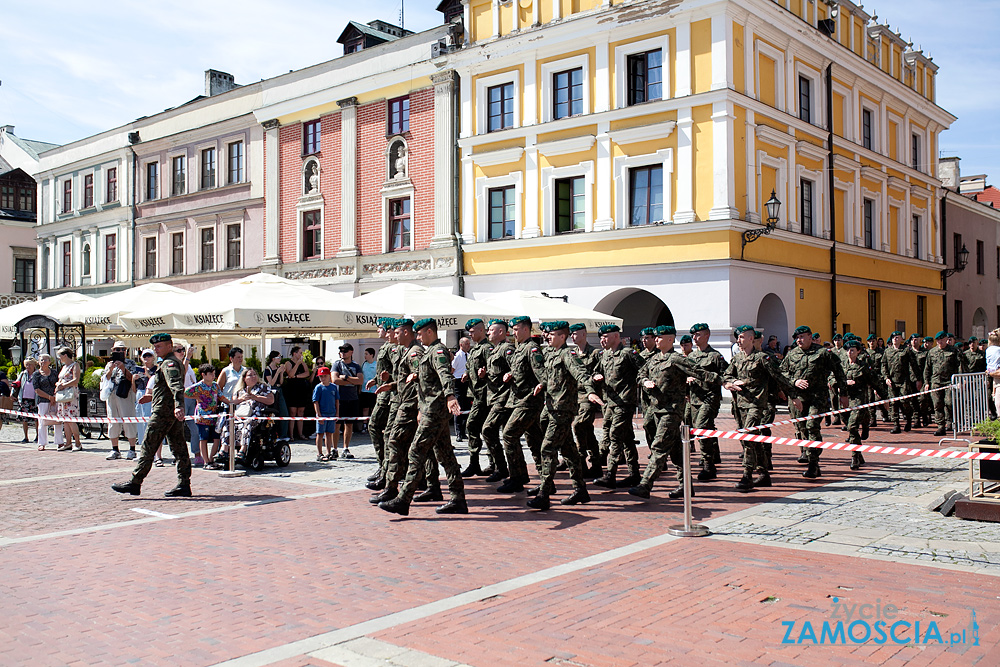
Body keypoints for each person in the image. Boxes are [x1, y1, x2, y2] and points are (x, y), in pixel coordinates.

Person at [379, 318, 467, 516]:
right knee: (446, 456)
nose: (417, 337)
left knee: (415, 452)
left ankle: (403, 500)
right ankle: (458, 499)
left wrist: (450, 395)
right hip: (430, 409)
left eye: (419, 334)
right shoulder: (429, 352)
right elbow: (430, 379)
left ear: (429, 332)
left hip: (434, 411)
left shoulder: (438, 351)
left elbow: (445, 374)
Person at [628, 326, 718, 500]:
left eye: (659, 337)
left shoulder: (677, 359)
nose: (656, 340)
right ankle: (686, 486)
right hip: (656, 410)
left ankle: (646, 484)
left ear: (670, 339)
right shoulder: (654, 359)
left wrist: (725, 382)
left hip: (672, 411)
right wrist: (645, 381)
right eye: (655, 337)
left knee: (659, 446)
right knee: (676, 452)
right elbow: (640, 374)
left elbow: (700, 372)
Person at [525, 321, 603, 510]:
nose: (547, 337)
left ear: (562, 336)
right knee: (569, 451)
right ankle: (580, 490)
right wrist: (543, 385)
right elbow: (551, 378)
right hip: (552, 407)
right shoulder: (552, 354)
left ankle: (544, 493)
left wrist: (591, 390)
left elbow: (581, 373)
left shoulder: (568, 354)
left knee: (547, 449)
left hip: (562, 409)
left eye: (551, 334)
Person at [112, 333, 193, 498]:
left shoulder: (170, 363)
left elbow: (176, 385)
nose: (156, 349)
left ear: (169, 346)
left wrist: (179, 406)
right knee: (179, 448)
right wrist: (153, 396)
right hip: (169, 411)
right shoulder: (168, 362)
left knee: (149, 445)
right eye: (155, 347)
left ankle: (135, 482)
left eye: (159, 346)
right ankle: (184, 483)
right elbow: (165, 387)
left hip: (164, 412)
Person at [723, 325, 800, 490]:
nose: (739, 340)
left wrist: (793, 396)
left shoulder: (763, 358)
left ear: (751, 338)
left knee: (748, 435)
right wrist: (731, 382)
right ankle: (764, 473)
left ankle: (747, 475)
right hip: (740, 404)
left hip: (756, 404)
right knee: (754, 439)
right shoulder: (737, 359)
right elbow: (727, 374)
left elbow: (780, 376)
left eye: (742, 337)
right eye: (738, 337)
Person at [780, 325, 849, 479]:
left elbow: (839, 372)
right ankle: (810, 457)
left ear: (810, 337)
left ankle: (813, 463)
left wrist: (843, 394)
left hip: (818, 398)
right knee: (802, 428)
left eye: (802, 337)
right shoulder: (792, 354)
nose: (799, 340)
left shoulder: (823, 353)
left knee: (812, 426)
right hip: (800, 399)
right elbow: (782, 372)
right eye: (797, 338)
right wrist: (794, 381)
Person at [498, 316, 546, 493]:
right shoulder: (520, 349)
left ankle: (516, 478)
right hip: (519, 400)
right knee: (534, 441)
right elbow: (522, 371)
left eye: (516, 329)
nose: (513, 333)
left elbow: (541, 373)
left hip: (528, 401)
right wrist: (511, 374)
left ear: (526, 329)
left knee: (509, 435)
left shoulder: (532, 348)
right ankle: (546, 482)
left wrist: (543, 384)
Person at [592, 324, 643, 490]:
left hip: (624, 402)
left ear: (615, 336)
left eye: (605, 337)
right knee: (627, 438)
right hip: (610, 403)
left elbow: (644, 369)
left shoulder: (628, 354)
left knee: (614, 435)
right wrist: (596, 376)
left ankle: (610, 475)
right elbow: (594, 371)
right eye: (601, 337)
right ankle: (634, 474)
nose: (602, 340)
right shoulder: (604, 355)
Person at [686, 324, 727, 482]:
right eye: (693, 335)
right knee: (704, 429)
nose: (694, 338)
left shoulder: (715, 356)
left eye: (697, 335)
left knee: (701, 428)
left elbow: (725, 375)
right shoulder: (691, 357)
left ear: (707, 336)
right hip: (695, 399)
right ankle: (711, 457)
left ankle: (709, 465)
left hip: (710, 398)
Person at [479, 319, 515, 484]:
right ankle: (514, 473)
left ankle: (502, 468)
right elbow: (497, 374)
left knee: (488, 429)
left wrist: (511, 374)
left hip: (503, 398)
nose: (488, 333)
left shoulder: (507, 349)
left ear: (501, 332)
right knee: (508, 436)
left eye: (491, 330)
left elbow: (517, 367)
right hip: (494, 398)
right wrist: (484, 375)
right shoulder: (495, 350)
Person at [365, 319, 399, 490]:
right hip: (383, 394)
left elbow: (398, 371)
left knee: (377, 428)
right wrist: (375, 379)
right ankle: (384, 466)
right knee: (379, 430)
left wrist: (386, 379)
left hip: (390, 395)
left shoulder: (394, 348)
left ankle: (386, 468)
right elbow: (384, 371)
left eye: (380, 328)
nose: (378, 331)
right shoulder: (386, 346)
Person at [218, 368, 274, 462]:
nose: (253, 377)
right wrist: (242, 399)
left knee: (247, 423)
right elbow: (232, 402)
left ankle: (242, 451)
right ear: (244, 378)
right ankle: (224, 450)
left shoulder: (263, 387)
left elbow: (271, 400)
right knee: (228, 423)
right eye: (250, 375)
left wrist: (255, 397)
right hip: (240, 415)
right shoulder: (240, 390)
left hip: (256, 415)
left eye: (254, 374)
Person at [571, 323, 604, 478]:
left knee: (579, 425)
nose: (573, 336)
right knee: (588, 431)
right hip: (574, 397)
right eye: (571, 334)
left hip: (589, 397)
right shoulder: (572, 354)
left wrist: (596, 378)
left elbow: (601, 371)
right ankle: (596, 464)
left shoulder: (595, 353)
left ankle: (581, 461)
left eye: (576, 333)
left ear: (584, 334)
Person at [460, 320, 492, 477]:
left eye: (472, 332)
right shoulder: (474, 350)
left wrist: (485, 375)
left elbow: (494, 370)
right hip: (475, 394)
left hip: (484, 395)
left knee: (473, 426)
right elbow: (470, 367)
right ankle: (490, 463)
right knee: (485, 430)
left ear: (481, 330)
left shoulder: (487, 349)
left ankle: (477, 463)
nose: (470, 335)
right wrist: (467, 374)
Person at [843, 339, 878, 470]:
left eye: (852, 350)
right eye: (847, 350)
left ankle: (854, 457)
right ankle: (859, 453)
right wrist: (843, 383)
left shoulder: (863, 366)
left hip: (858, 401)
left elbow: (875, 381)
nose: (849, 352)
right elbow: (832, 377)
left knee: (852, 427)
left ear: (858, 351)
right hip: (845, 400)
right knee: (848, 426)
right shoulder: (843, 365)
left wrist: (884, 397)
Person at [924, 331, 966, 436]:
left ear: (946, 339)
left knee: (949, 403)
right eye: (938, 340)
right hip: (936, 382)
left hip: (949, 382)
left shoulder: (954, 351)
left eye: (941, 340)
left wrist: (960, 380)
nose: (940, 342)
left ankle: (951, 421)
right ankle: (940, 427)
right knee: (937, 404)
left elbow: (960, 366)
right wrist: (926, 382)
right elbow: (927, 368)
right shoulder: (932, 352)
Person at [185, 364, 226, 470]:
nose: (213, 376)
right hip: (202, 416)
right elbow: (185, 392)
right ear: (203, 375)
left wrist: (231, 402)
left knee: (216, 438)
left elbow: (221, 396)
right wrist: (196, 397)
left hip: (214, 416)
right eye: (211, 374)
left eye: (214, 374)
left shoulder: (215, 386)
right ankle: (206, 461)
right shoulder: (198, 386)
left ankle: (212, 459)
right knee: (203, 438)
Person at [103, 342, 138, 460]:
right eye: (117, 349)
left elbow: (132, 378)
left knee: (128, 420)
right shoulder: (109, 364)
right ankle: (115, 449)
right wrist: (111, 368)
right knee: (113, 420)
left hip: (125, 394)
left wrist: (123, 368)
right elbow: (105, 378)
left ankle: (132, 449)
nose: (120, 351)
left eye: (122, 349)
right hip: (112, 394)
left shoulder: (131, 363)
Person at [881, 331, 921, 434]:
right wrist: (886, 378)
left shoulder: (906, 350)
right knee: (893, 403)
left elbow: (914, 365)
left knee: (904, 402)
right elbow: (884, 365)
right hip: (892, 381)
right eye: (894, 337)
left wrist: (918, 379)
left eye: (898, 337)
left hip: (904, 381)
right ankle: (896, 424)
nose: (895, 339)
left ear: (901, 339)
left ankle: (908, 419)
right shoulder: (887, 351)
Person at [331, 343, 363, 459]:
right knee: (337, 424)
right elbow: (334, 380)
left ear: (351, 352)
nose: (343, 353)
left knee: (349, 425)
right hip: (340, 398)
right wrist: (352, 381)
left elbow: (360, 381)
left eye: (345, 351)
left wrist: (345, 378)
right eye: (341, 351)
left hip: (352, 398)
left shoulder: (356, 366)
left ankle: (345, 447)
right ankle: (334, 448)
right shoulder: (337, 364)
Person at [53, 347, 83, 451]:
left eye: (60, 356)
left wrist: (64, 385)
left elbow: (76, 380)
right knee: (65, 420)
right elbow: (61, 379)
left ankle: (78, 442)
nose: (59, 358)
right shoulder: (64, 367)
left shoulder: (75, 365)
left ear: (65, 355)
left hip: (70, 394)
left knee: (71, 419)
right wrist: (58, 385)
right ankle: (68, 442)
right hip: (62, 394)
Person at [32, 354, 63, 451]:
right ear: (38, 362)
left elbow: (58, 384)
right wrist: (49, 397)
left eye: (46, 360)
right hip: (43, 400)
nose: (43, 362)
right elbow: (36, 389)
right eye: (41, 360)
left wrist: (54, 396)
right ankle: (42, 443)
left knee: (57, 420)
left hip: (55, 399)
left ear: (50, 362)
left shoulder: (54, 373)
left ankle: (60, 442)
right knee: (42, 421)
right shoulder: (36, 374)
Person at [282, 346, 311, 441]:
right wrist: (297, 364)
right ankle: (291, 434)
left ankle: (301, 433)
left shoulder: (303, 362)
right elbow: (290, 374)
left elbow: (307, 373)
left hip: (301, 388)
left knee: (301, 412)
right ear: (294, 353)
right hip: (292, 389)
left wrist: (297, 376)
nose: (301, 355)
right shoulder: (288, 363)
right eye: (300, 353)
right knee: (293, 412)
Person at [312, 366, 340, 461]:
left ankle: (328, 452)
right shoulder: (318, 387)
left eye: (325, 376)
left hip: (331, 413)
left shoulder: (333, 387)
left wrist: (337, 413)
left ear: (329, 376)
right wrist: (319, 415)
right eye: (321, 376)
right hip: (322, 414)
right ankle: (319, 453)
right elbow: (315, 402)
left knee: (329, 433)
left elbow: (337, 400)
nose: (323, 378)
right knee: (320, 433)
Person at [133, 349, 156, 450]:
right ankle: (142, 443)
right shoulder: (138, 370)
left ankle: (151, 444)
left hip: (150, 395)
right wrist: (133, 380)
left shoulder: (156, 369)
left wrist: (147, 374)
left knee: (149, 419)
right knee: (140, 419)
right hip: (139, 393)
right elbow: (134, 389)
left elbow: (156, 383)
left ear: (153, 357)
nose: (147, 358)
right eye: (145, 356)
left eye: (149, 356)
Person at [452, 336, 471, 443]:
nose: (468, 346)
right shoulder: (457, 356)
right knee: (459, 408)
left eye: (469, 344)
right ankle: (458, 432)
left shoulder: (469, 355)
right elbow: (452, 369)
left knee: (466, 407)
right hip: (458, 381)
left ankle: (464, 432)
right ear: (461, 344)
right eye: (466, 344)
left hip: (467, 382)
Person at [16, 358, 38, 443]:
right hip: (24, 399)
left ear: (34, 365)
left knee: (36, 419)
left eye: (30, 365)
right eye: (27, 365)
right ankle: (26, 437)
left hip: (34, 399)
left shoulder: (37, 374)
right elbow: (17, 384)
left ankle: (38, 436)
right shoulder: (23, 374)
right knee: (24, 419)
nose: (28, 366)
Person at [360, 347, 377, 435]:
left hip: (374, 390)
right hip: (364, 390)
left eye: (366, 354)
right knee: (365, 408)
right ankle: (364, 425)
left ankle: (373, 424)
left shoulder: (376, 364)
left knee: (373, 408)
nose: (365, 356)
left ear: (371, 355)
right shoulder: (364, 364)